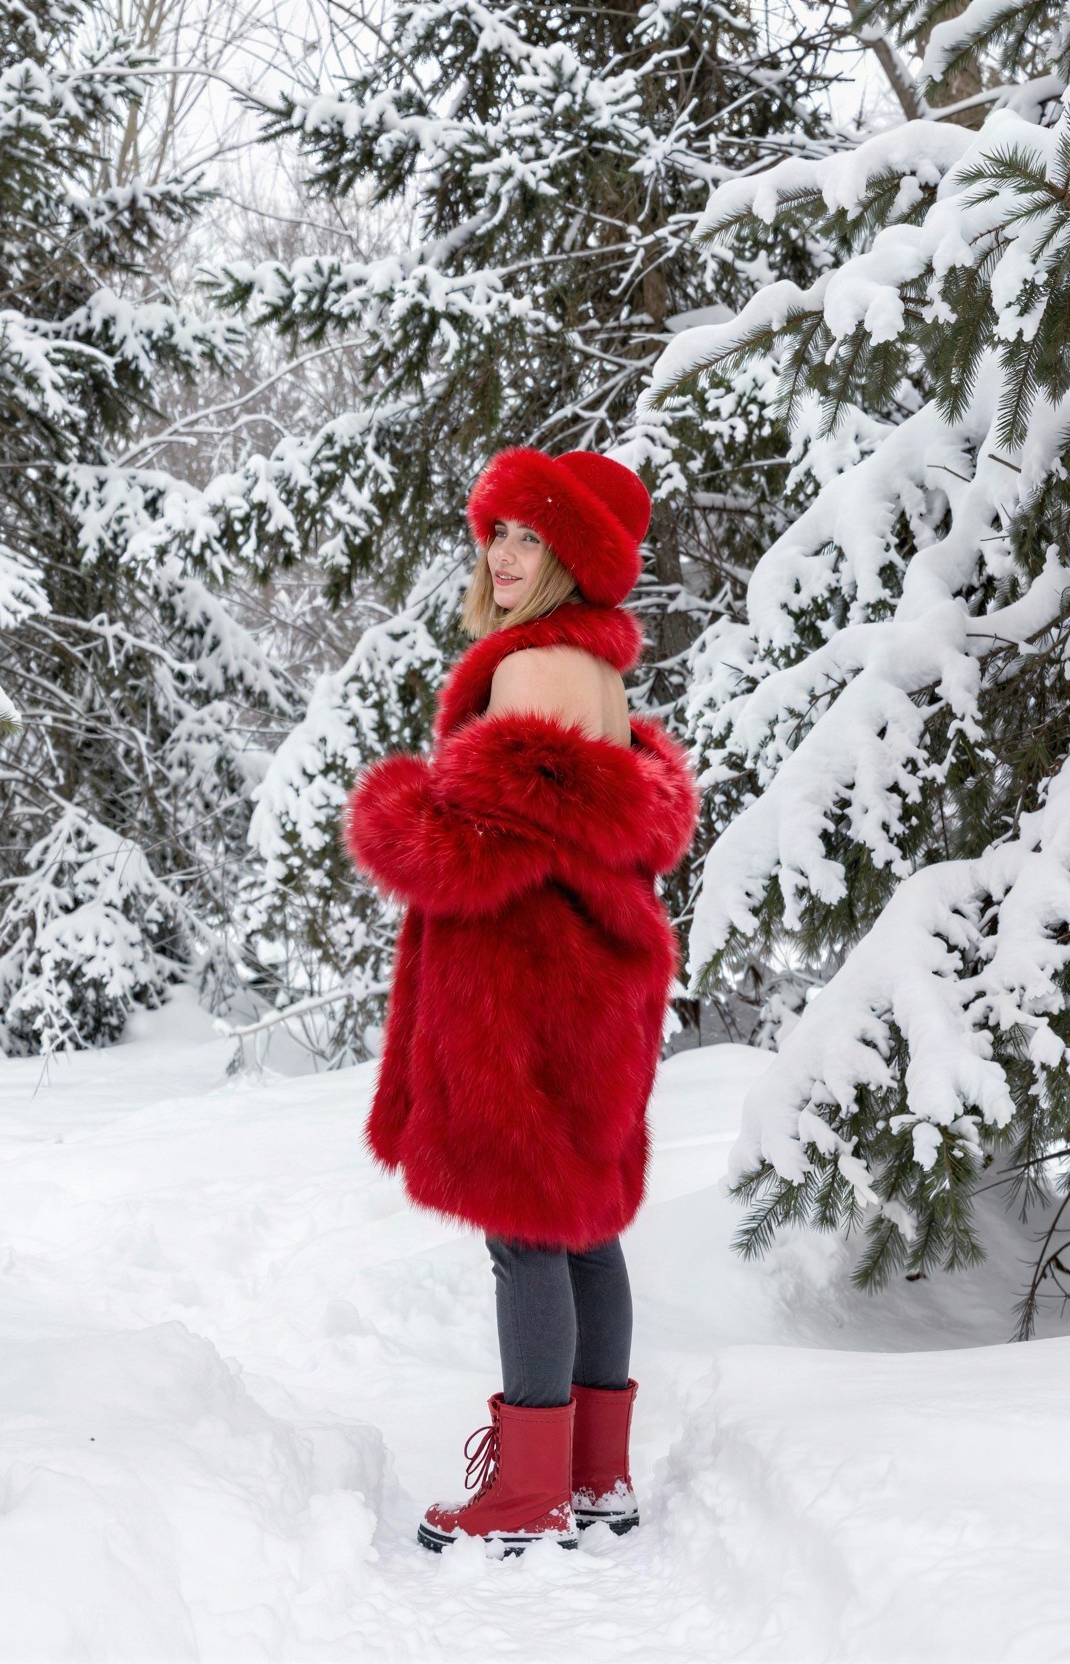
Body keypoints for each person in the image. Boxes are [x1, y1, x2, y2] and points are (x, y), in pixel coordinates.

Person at [345, 447, 698, 1555]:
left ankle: (528, 1493)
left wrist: (394, 806)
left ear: (571, 558)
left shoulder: (531, 666)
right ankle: (595, 1478)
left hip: (525, 987)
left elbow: (466, 854)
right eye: (493, 529)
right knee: (582, 1222)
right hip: (594, 978)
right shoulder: (596, 673)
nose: (499, 553)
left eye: (527, 536)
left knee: (524, 1234)